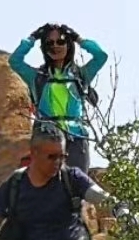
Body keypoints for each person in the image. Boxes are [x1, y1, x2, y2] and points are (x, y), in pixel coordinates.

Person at [9, 25, 108, 173]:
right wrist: (33, 37)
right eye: (49, 43)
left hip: (76, 137)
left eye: (61, 41)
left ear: (68, 44)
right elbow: (15, 61)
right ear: (44, 48)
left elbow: (101, 56)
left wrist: (78, 38)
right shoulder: (37, 77)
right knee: (47, 188)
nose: (55, 46)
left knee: (77, 186)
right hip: (47, 136)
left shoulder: (80, 75)